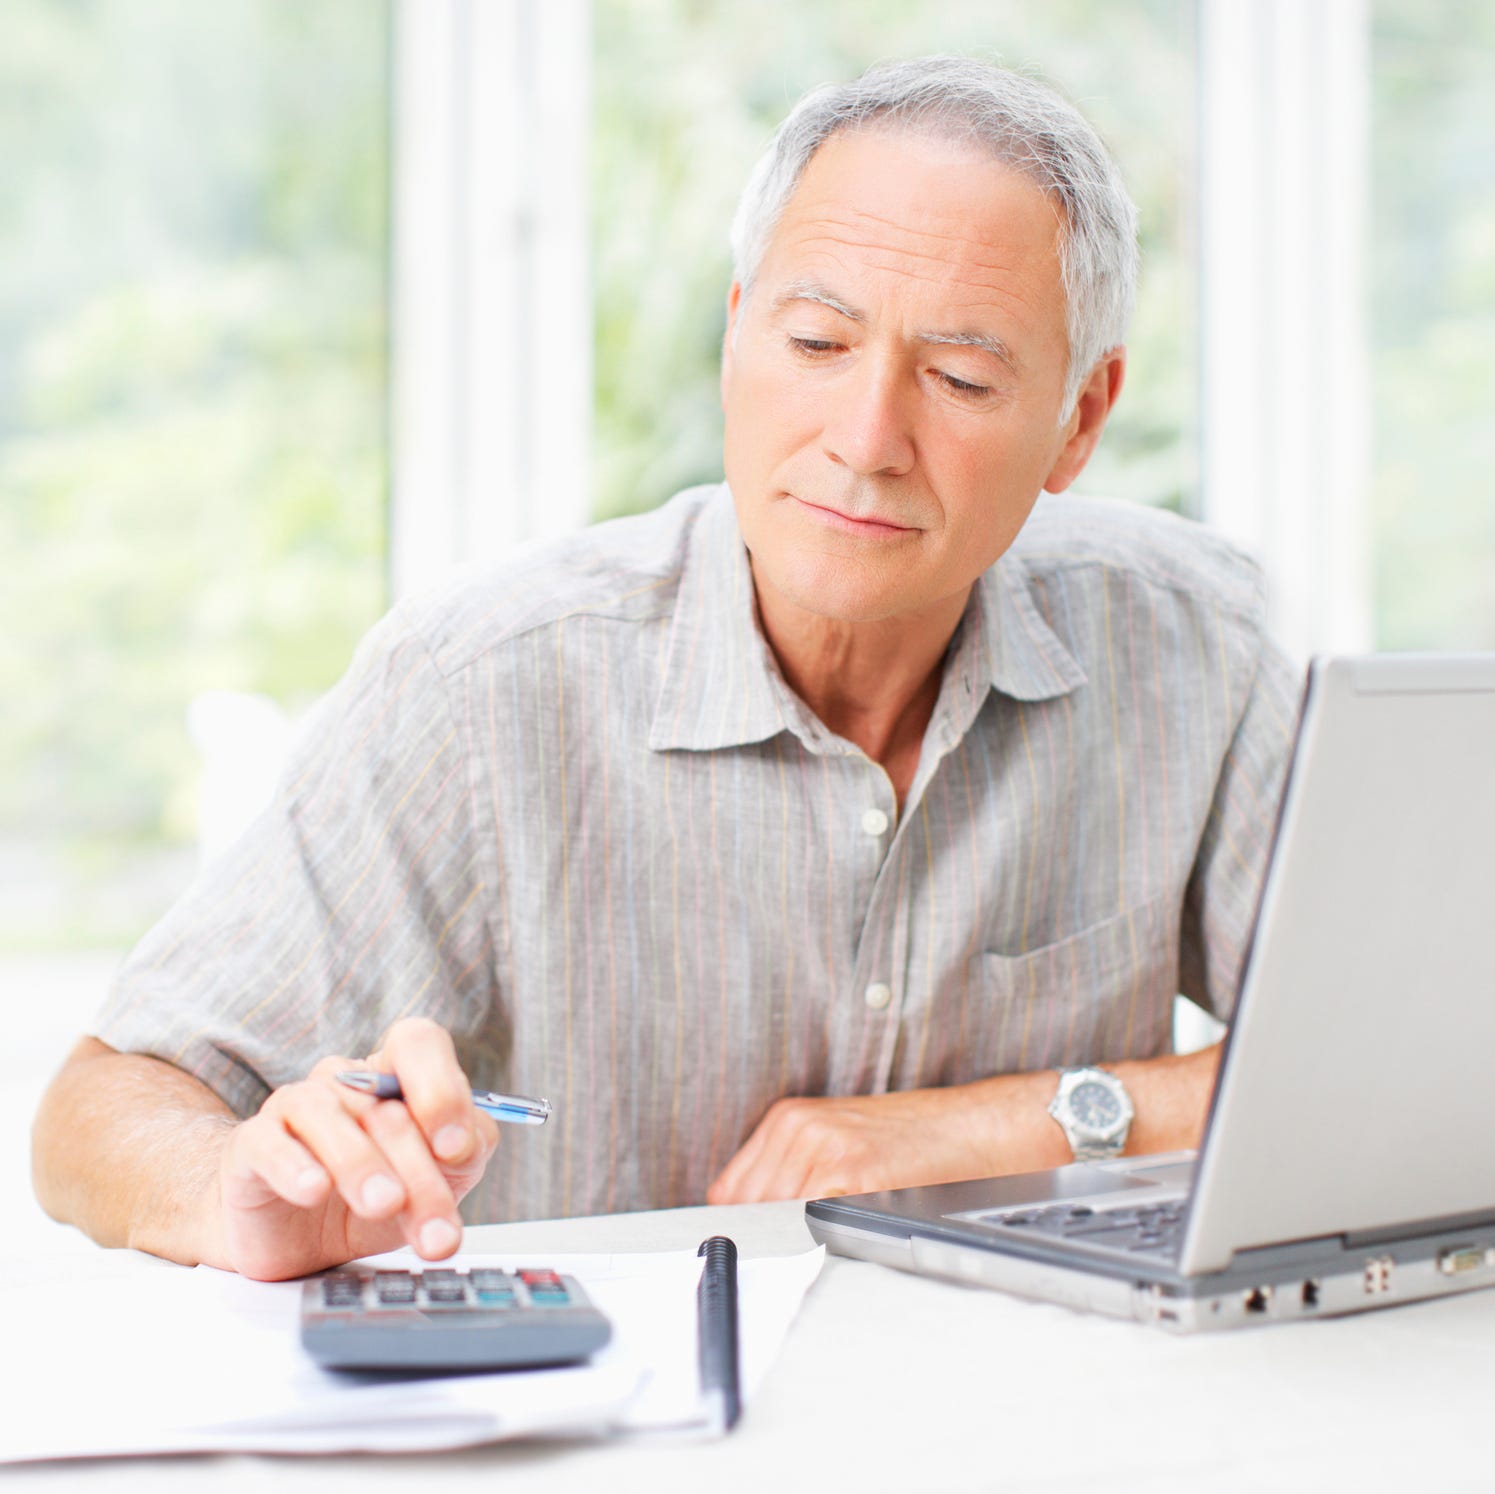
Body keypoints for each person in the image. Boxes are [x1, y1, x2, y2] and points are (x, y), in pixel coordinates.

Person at [32, 56, 1300, 1282]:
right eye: (815, 345)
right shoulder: (487, 684)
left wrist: (993, 1124)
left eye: (960, 376)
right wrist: (236, 1194)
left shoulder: (1194, 641)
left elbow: (1407, 1060)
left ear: (1078, 419)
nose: (866, 440)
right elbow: (100, 1109)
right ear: (736, 336)